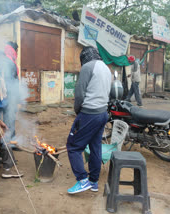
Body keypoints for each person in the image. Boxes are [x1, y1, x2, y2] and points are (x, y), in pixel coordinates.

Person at [66, 46, 111, 194]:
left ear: (84, 58)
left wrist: (78, 112)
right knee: (95, 147)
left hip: (89, 114)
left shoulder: (88, 67)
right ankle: (93, 182)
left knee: (73, 147)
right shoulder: (106, 68)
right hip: (103, 113)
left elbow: (79, 93)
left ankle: (82, 180)